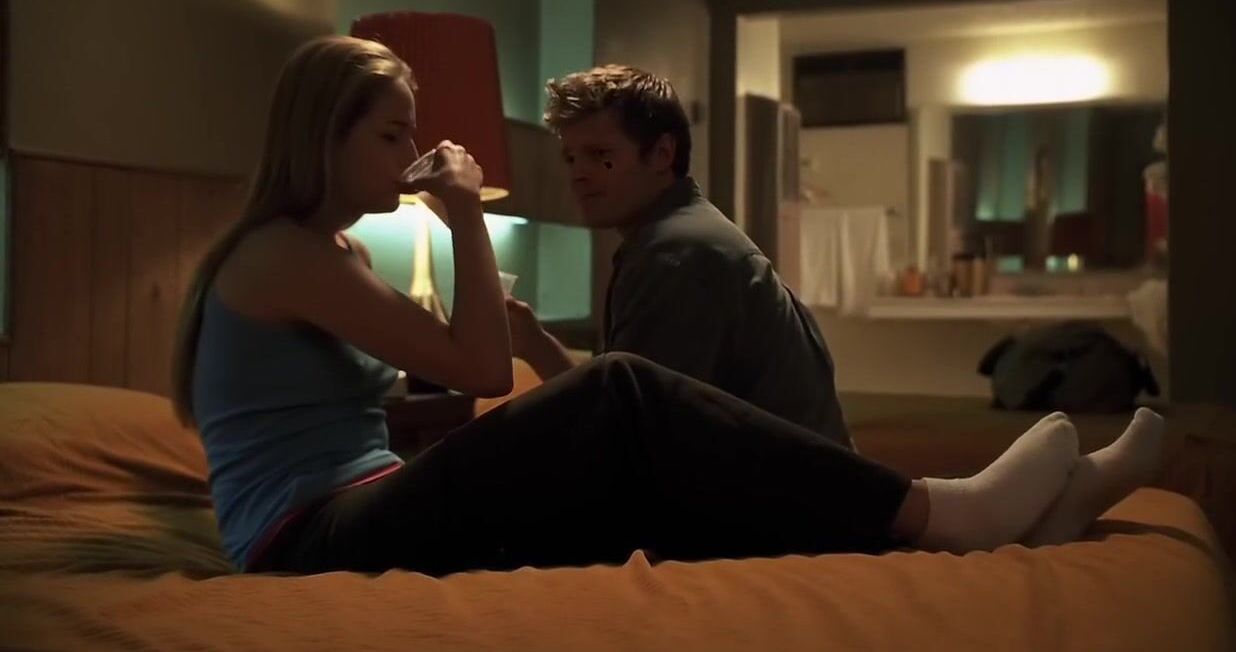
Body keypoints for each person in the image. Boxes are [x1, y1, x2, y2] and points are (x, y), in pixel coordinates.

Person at [172, 35, 1165, 577]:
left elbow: (461, 367)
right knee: (619, 394)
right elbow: (476, 368)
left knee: (614, 414)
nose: (411, 153)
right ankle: (945, 511)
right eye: (393, 135)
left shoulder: (334, 254)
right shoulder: (281, 256)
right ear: (326, 136)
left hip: (362, 507)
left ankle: (987, 514)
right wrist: (465, 215)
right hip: (308, 541)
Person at [504, 65, 851, 446]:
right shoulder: (677, 237)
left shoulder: (677, 254)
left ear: (662, 153)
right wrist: (535, 343)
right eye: (570, 158)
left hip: (780, 483)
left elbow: (631, 440)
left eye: (600, 155)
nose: (578, 174)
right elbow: (619, 407)